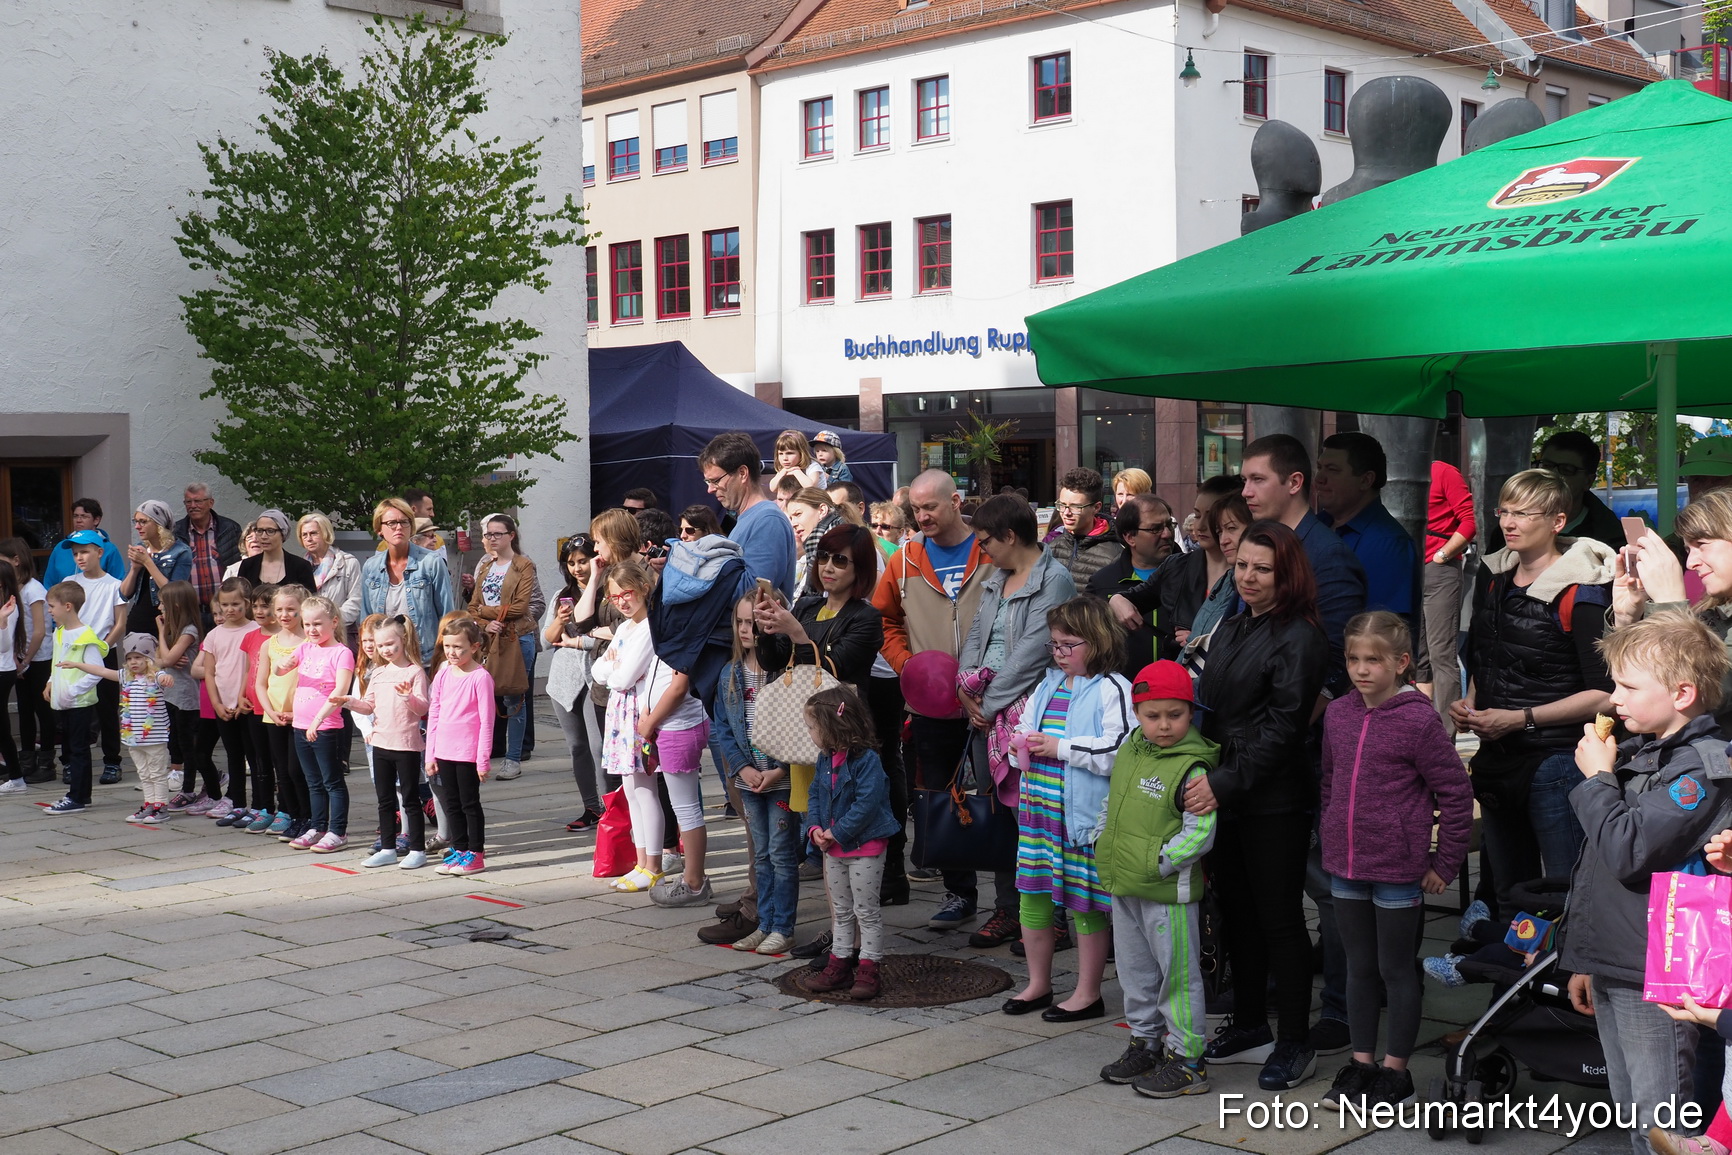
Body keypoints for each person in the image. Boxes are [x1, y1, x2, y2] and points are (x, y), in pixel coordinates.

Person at [1562, 613, 1731, 1155]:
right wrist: (1585, 957)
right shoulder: (1647, 750)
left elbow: (1626, 849)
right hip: (1617, 959)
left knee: (1661, 1125)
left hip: (1655, 973)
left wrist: (1597, 779)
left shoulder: (1701, 771)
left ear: (1682, 693)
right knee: (1632, 1111)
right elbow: (1599, 874)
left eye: (1629, 687)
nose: (1615, 699)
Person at [1187, 520, 1330, 1092]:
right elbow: (1216, 709)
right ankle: (1249, 1025)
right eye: (1242, 565)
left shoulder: (1301, 636)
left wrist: (1224, 782)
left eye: (1262, 569)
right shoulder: (1234, 623)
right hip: (1228, 793)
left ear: (1286, 573)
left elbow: (1283, 729)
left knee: (1280, 920)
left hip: (1273, 800)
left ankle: (1295, 1040)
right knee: (1237, 915)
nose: (1248, 576)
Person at [1239, 433, 1368, 1056]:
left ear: (1293, 483)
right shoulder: (1260, 550)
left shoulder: (1326, 555)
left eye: (1256, 479)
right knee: (1276, 888)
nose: (1245, 490)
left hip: (1306, 752)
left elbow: (1337, 666)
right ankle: (1268, 996)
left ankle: (1342, 1009)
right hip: (1263, 753)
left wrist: (1288, 727)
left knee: (1326, 884)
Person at [1318, 611, 1473, 1112]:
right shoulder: (1338, 714)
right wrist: (1329, 831)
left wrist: (1444, 863)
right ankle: (1362, 1063)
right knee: (1358, 967)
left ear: (1402, 662)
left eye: (1374, 660)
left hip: (1398, 872)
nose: (1361, 670)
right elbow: (1330, 781)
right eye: (1353, 659)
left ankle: (1395, 1072)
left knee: (1396, 970)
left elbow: (1455, 793)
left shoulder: (1418, 721)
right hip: (1346, 867)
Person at [1449, 468, 1614, 918]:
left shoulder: (1582, 589)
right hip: (1498, 754)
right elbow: (1488, 654)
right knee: (1510, 894)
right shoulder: (1494, 576)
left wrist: (1520, 718)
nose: (1509, 522)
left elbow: (1605, 694)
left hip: (1555, 760)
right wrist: (1471, 701)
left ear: (1558, 522)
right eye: (1504, 511)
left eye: (1523, 513)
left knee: (1565, 894)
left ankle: (1560, 967)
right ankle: (1511, 964)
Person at [951, 495, 1078, 948]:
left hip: (1029, 714)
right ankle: (1010, 909)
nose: (982, 550)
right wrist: (965, 686)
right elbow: (975, 638)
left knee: (1037, 818)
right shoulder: (996, 578)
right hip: (987, 712)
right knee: (1000, 817)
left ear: (1009, 535)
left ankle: (1052, 918)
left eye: (986, 541)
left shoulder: (1054, 580)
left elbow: (1033, 653)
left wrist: (985, 704)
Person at [1001, 595, 1133, 1022]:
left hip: (1081, 822)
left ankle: (1088, 993)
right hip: (1039, 814)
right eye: (1054, 645)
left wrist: (1060, 748)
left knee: (1085, 903)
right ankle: (1038, 983)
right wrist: (1018, 744)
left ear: (1098, 640)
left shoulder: (1114, 687)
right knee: (1033, 895)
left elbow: (1119, 750)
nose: (1058, 653)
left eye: (1067, 645)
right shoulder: (1049, 684)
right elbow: (1026, 726)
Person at [872, 469, 994, 924]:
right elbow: (884, 620)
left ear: (955, 502)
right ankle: (960, 893)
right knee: (941, 794)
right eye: (916, 509)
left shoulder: (990, 549)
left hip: (991, 697)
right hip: (931, 702)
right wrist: (908, 665)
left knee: (998, 793)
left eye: (930, 507)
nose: (921, 516)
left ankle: (1012, 900)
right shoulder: (905, 558)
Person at [1095, 659, 1220, 1099]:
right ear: (1137, 714)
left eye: (1175, 715)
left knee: (1177, 977)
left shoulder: (1193, 766)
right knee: (1135, 971)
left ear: (1191, 712)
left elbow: (1200, 832)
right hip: (1124, 883)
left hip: (1167, 891)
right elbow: (1113, 802)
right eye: (1153, 716)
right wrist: (1100, 839)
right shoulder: (1131, 749)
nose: (1164, 725)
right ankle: (1145, 1042)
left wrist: (1160, 862)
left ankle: (1188, 1060)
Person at [594, 560, 710, 898]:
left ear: (644, 589)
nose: (622, 602)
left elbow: (622, 677)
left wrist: (614, 668)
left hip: (637, 713)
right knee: (631, 790)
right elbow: (599, 670)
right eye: (614, 597)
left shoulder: (647, 629)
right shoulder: (624, 629)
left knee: (645, 790)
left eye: (626, 593)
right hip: (622, 714)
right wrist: (612, 668)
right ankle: (641, 861)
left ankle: (653, 863)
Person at [713, 591, 797, 956]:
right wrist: (743, 768)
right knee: (760, 855)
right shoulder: (730, 673)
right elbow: (723, 728)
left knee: (781, 854)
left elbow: (800, 728)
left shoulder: (784, 672)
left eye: (755, 623)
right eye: (742, 622)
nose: (747, 630)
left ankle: (783, 927)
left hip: (781, 780)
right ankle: (764, 923)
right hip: (750, 781)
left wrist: (780, 770)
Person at [803, 686, 899, 1000]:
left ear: (833, 726)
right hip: (834, 847)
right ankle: (840, 963)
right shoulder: (824, 759)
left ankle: (870, 968)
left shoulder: (867, 760)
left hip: (864, 847)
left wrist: (838, 831)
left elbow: (867, 803)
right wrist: (815, 828)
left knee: (866, 910)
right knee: (842, 910)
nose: (810, 734)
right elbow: (815, 795)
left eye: (812, 727)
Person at [1615, 489, 1732, 727]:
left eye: (1702, 544)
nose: (1691, 563)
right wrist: (1626, 620)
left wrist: (1670, 607)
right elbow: (1637, 689)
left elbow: (1693, 698)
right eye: (1688, 550)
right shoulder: (1713, 614)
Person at [1108, 474, 1243, 661]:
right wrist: (1117, 599)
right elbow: (1135, 597)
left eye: (1212, 516)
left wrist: (1205, 640)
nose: (1200, 525)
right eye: (1197, 515)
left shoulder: (1250, 574)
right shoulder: (1177, 566)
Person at [338, 615, 431, 870]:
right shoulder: (378, 673)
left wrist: (408, 697)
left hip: (406, 745)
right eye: (380, 646)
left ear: (403, 639)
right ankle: (388, 848)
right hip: (380, 744)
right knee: (385, 800)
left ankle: (417, 849)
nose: (385, 650)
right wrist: (349, 701)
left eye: (390, 644)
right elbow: (368, 706)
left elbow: (423, 707)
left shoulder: (414, 672)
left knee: (410, 799)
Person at [1313, 432, 1420, 627]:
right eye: (1319, 467)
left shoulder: (1389, 544)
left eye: (1332, 470)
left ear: (1366, 480)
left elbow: (1383, 634)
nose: (1319, 478)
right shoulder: (1315, 526)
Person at [277, 595, 355, 853]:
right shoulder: (305, 648)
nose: (311, 630)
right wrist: (281, 664)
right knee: (313, 781)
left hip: (326, 728)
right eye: (307, 624)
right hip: (301, 726)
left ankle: (338, 831)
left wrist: (318, 720)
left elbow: (340, 691)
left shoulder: (342, 653)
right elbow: (279, 671)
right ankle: (318, 826)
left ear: (334, 622)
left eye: (317, 624)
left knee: (332, 781)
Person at [54, 532, 129, 787]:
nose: (79, 557)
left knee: (107, 709)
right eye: (75, 553)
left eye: (85, 551)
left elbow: (120, 623)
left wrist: (102, 648)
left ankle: (112, 761)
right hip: (72, 653)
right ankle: (69, 762)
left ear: (99, 552)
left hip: (103, 652)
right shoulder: (69, 582)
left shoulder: (113, 585)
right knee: (70, 707)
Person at [467, 514, 537, 782]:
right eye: (488, 534)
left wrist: (487, 614)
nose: (492, 538)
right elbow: (472, 607)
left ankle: (513, 758)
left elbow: (520, 607)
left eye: (498, 533)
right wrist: (487, 623)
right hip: (489, 636)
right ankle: (480, 754)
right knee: (483, 696)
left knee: (513, 698)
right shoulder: (486, 566)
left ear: (511, 536)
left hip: (515, 637)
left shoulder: (523, 565)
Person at [545, 534, 606, 831]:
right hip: (564, 680)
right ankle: (591, 807)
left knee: (599, 746)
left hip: (598, 677)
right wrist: (559, 620)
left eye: (583, 561)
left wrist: (581, 641)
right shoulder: (562, 594)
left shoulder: (608, 591)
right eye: (571, 563)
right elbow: (547, 640)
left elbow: (615, 636)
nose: (577, 568)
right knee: (577, 747)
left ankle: (610, 808)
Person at [427, 617, 496, 876]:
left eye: (458, 647)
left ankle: (475, 853)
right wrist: (431, 754)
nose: (452, 652)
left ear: (475, 647)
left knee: (469, 804)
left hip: (467, 753)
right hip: (444, 751)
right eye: (447, 646)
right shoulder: (444, 673)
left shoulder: (480, 678)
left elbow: (487, 721)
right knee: (451, 804)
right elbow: (434, 712)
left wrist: (482, 760)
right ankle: (459, 849)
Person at [1484, 430, 1622, 552]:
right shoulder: (1508, 530)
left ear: (1588, 481)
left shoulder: (1608, 538)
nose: (1552, 475)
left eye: (1566, 470)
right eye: (1547, 466)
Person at [1088, 494, 1178, 678]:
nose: (1167, 534)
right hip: (1124, 690)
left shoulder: (1194, 574)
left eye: (1169, 525)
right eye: (1155, 529)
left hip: (1182, 688)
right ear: (1130, 537)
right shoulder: (1102, 584)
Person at [360, 497, 458, 669]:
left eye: (404, 522)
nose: (398, 527)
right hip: (385, 662)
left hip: (425, 660)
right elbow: (367, 619)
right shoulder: (371, 567)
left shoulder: (431, 563)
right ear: (379, 529)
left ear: (411, 527)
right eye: (391, 523)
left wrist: (445, 660)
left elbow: (447, 616)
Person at [198, 577, 264, 829]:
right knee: (233, 755)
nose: (229, 609)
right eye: (225, 605)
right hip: (223, 706)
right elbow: (210, 672)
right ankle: (238, 803)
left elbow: (251, 669)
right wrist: (216, 704)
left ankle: (259, 805)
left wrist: (242, 698)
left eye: (235, 604)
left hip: (247, 706)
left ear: (246, 603)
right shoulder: (214, 635)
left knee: (254, 756)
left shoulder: (254, 630)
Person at [700, 431, 797, 599]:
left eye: (715, 481)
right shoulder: (753, 518)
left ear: (743, 473)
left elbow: (751, 595)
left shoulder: (768, 521)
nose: (710, 489)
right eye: (708, 482)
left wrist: (696, 575)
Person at [42, 580, 109, 814]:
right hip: (64, 702)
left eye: (52, 606)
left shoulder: (85, 636)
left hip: (79, 703)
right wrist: (51, 681)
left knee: (78, 750)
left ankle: (77, 797)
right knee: (71, 748)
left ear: (68, 606)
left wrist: (72, 691)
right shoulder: (60, 632)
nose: (49, 611)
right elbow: (58, 662)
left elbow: (96, 672)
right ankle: (81, 794)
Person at [1419, 458, 1476, 727]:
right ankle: (1421, 727)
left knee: (1440, 655)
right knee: (1417, 656)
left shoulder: (1442, 471)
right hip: (1409, 568)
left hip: (1438, 569)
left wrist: (1442, 555)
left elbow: (1469, 520)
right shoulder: (1391, 472)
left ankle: (1445, 733)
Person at [251, 584, 310, 840]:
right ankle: (292, 816)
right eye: (280, 609)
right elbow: (260, 684)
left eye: (290, 609)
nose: (284, 615)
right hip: (274, 717)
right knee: (283, 771)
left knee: (299, 770)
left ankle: (308, 817)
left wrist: (299, 713)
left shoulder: (309, 642)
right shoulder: (269, 644)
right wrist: (271, 711)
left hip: (302, 717)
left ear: (302, 610)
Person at [0, 541, 55, 784]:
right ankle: (27, 759)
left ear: (16, 560)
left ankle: (46, 762)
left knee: (43, 709)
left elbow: (39, 630)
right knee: (24, 710)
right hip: (20, 658)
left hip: (39, 657)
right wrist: (18, 660)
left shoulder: (34, 589)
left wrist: (27, 660)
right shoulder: (14, 589)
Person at [239, 583, 289, 835]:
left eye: (265, 606)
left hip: (276, 708)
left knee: (281, 762)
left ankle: (285, 810)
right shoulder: (251, 637)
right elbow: (248, 670)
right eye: (255, 606)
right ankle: (265, 808)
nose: (259, 611)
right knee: (259, 761)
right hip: (254, 707)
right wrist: (241, 695)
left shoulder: (283, 637)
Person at [155, 581, 209, 809]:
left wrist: (160, 633)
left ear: (175, 605)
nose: (160, 608)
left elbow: (166, 659)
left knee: (189, 746)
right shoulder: (174, 631)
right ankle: (210, 778)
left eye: (163, 603)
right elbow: (158, 660)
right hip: (171, 695)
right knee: (175, 742)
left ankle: (188, 790)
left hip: (187, 697)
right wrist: (165, 658)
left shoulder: (189, 631)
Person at [1047, 467, 1124, 586]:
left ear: (1096, 507)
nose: (1066, 513)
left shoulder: (1115, 556)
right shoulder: (1051, 548)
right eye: (1062, 505)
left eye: (1075, 507)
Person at [175, 483, 245, 610]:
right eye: (188, 502)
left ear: (211, 503)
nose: (193, 506)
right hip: (189, 610)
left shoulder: (230, 529)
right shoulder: (176, 532)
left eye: (198, 501)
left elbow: (241, 564)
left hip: (226, 609)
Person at [297, 514, 364, 630]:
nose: (309, 539)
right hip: (309, 631)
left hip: (341, 630)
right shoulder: (299, 566)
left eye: (313, 533)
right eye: (304, 535)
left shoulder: (348, 563)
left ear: (326, 534)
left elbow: (355, 601)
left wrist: (330, 622)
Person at [42, 498, 126, 586]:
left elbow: (118, 583)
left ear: (96, 520)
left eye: (84, 516)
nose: (78, 520)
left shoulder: (109, 549)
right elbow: (49, 582)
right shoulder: (61, 547)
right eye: (75, 516)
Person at [238, 510, 317, 592]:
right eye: (260, 531)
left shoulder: (300, 566)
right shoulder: (247, 565)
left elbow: (310, 599)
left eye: (270, 531)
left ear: (283, 533)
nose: (264, 536)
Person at [787, 489, 846, 597]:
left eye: (798, 514)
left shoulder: (845, 544)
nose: (793, 523)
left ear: (822, 510)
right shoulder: (808, 556)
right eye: (791, 518)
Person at [0, 559, 24, 785]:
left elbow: (4, 646)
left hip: (2, 671)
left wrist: (2, 621)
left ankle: (16, 777)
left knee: (2, 727)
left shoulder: (9, 608)